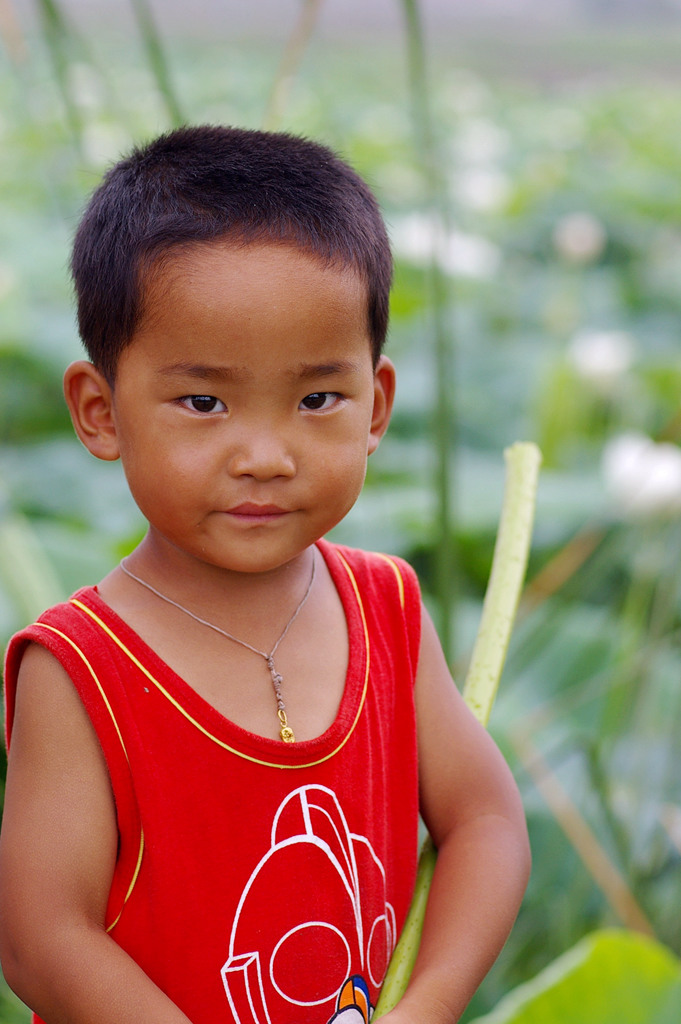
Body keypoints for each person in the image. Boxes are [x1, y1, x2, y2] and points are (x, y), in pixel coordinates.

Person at [0, 125, 530, 1024]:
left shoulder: (388, 610)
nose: (264, 455)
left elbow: (486, 823)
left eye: (316, 398)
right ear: (100, 412)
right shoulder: (81, 669)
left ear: (376, 406)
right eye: (203, 402)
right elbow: (41, 936)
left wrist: (428, 1004)